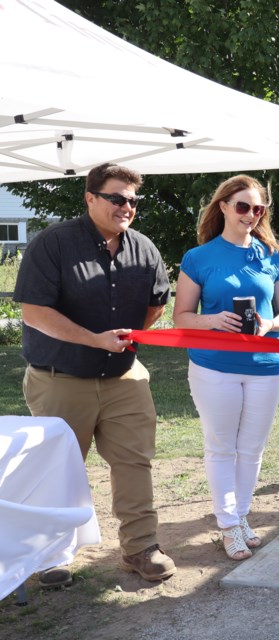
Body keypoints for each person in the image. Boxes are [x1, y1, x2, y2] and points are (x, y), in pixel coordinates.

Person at [13, 162, 176, 583]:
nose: (127, 207)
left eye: (133, 200)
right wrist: (95, 339)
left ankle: (141, 548)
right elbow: (34, 312)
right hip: (60, 379)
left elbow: (156, 304)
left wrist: (123, 340)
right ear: (90, 198)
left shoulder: (144, 247)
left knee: (134, 463)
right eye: (117, 198)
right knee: (59, 468)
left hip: (125, 379)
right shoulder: (53, 243)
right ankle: (51, 554)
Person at [172, 175, 279, 561]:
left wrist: (269, 323)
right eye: (243, 206)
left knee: (252, 449)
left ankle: (240, 517)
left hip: (267, 366)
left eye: (258, 208)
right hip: (214, 367)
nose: (251, 214)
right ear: (223, 206)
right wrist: (213, 321)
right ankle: (227, 524)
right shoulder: (198, 258)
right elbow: (181, 317)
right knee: (222, 447)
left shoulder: (273, 255)